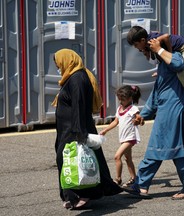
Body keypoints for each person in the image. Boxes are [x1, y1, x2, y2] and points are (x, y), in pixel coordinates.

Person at [122, 37, 184, 200]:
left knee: (176, 151)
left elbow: (179, 65)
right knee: (167, 150)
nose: (144, 53)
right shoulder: (164, 65)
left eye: (144, 50)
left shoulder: (174, 58)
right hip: (168, 111)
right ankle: (143, 186)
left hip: (177, 111)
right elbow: (157, 92)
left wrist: (159, 49)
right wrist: (142, 115)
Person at [52, 48, 122, 210]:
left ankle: (82, 195)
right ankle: (75, 195)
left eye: (58, 63)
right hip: (67, 130)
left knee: (74, 162)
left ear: (66, 60)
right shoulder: (72, 77)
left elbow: (79, 106)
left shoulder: (77, 78)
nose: (58, 67)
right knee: (74, 162)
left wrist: (79, 133)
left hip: (74, 130)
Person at [127, 26, 184, 113]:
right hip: (179, 49)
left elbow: (166, 37)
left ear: (142, 40)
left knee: (181, 73)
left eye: (136, 45)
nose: (135, 47)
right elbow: (162, 60)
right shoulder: (148, 44)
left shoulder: (152, 42)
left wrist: (170, 53)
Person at [99, 85, 142, 187]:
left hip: (130, 138)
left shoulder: (133, 108)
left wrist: (138, 120)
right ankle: (134, 178)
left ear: (130, 98)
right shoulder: (119, 109)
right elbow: (115, 121)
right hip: (123, 138)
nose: (121, 102)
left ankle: (118, 179)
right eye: (119, 100)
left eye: (123, 100)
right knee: (128, 159)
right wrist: (105, 130)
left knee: (117, 156)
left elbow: (139, 117)